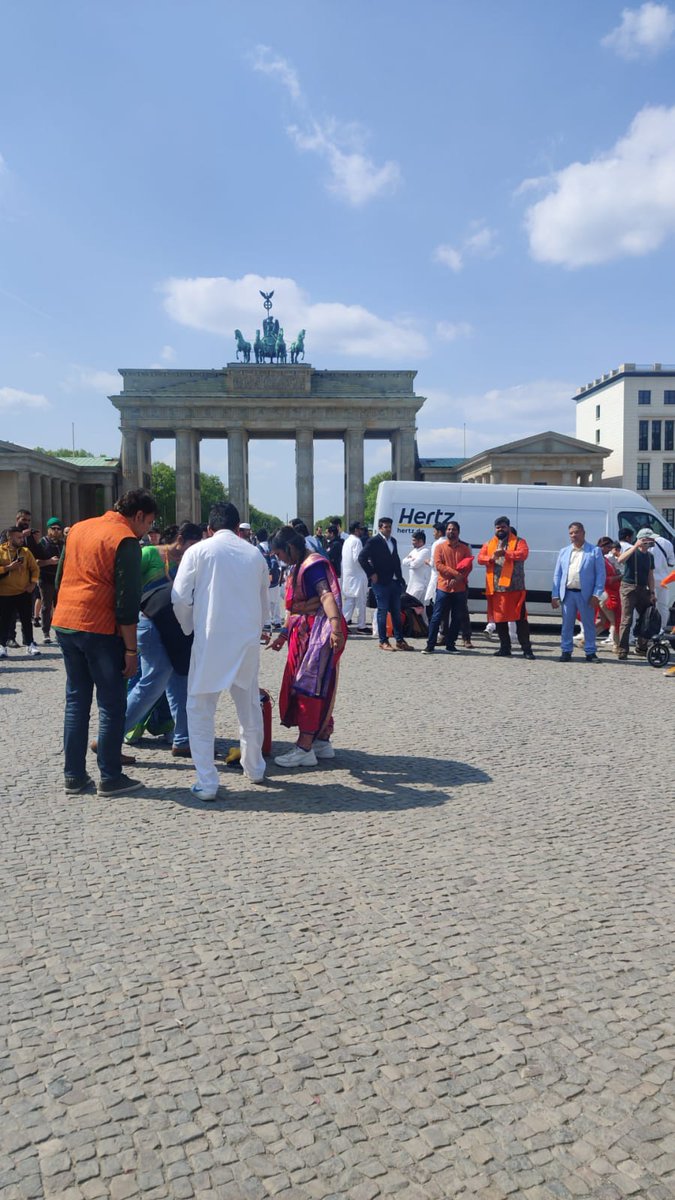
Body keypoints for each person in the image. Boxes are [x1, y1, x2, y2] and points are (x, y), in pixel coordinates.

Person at [52, 488, 159, 795]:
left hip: (66, 622)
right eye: (149, 523)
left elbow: (60, 579)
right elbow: (127, 603)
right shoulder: (125, 539)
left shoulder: (80, 529)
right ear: (138, 515)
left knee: (76, 700)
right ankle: (110, 776)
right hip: (98, 628)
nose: (148, 530)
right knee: (112, 703)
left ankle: (73, 775)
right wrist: (130, 649)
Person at [171, 501, 269, 800]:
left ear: (209, 529)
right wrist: (260, 627)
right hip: (246, 639)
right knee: (249, 705)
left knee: (200, 709)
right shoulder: (254, 554)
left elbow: (179, 598)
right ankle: (254, 768)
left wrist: (190, 627)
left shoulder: (198, 551)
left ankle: (208, 782)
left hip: (211, 638)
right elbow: (265, 601)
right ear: (239, 528)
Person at [267, 525, 347, 767]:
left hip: (315, 636)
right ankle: (322, 740)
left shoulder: (312, 565)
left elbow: (326, 595)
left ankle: (305, 747)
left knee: (308, 687)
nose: (278, 559)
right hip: (304, 633)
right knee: (321, 684)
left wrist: (334, 626)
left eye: (279, 554)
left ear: (290, 548)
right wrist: (283, 635)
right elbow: (294, 609)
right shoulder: (298, 566)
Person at [122, 521, 202, 757]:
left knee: (180, 680)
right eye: (192, 544)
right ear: (180, 538)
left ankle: (183, 739)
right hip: (150, 623)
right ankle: (110, 736)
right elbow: (127, 588)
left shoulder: (192, 562)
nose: (193, 550)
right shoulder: (149, 554)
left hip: (177, 629)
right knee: (152, 682)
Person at [478, 516, 535, 659]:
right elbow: (480, 558)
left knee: (521, 620)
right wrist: (490, 558)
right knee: (500, 620)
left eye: (503, 527)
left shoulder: (519, 542)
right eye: (498, 527)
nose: (500, 529)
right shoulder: (489, 543)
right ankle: (505, 648)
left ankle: (527, 650)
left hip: (515, 588)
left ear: (508, 527)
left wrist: (505, 553)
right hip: (497, 589)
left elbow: (523, 554)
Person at [551, 522, 606, 663]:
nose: (573, 535)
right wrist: (555, 595)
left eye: (576, 532)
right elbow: (558, 574)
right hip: (568, 593)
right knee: (567, 624)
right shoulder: (564, 551)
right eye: (571, 533)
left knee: (588, 624)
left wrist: (596, 594)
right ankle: (566, 651)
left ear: (583, 533)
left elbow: (601, 574)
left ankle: (590, 652)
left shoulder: (594, 551)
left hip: (586, 595)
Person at [358, 517, 415, 652]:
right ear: (380, 528)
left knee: (396, 612)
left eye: (390, 527)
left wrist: (400, 578)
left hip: (394, 581)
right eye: (385, 527)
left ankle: (399, 640)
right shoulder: (373, 541)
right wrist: (371, 573)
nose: (388, 529)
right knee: (382, 611)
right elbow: (361, 557)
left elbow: (395, 559)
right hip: (381, 582)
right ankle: (383, 640)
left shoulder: (393, 541)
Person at [422, 522, 473, 654]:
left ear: (458, 532)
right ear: (446, 531)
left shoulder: (465, 548)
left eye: (454, 529)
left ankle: (451, 644)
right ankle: (430, 644)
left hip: (459, 588)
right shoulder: (440, 547)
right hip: (443, 587)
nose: (451, 531)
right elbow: (438, 565)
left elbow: (468, 567)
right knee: (437, 616)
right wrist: (455, 574)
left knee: (457, 617)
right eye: (449, 529)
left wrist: (457, 579)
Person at [616, 529, 657, 661]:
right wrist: (635, 546)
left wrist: (652, 593)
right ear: (643, 540)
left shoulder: (650, 556)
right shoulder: (632, 552)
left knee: (647, 617)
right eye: (650, 540)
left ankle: (642, 647)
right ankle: (622, 649)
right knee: (627, 619)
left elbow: (651, 576)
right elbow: (620, 560)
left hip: (642, 588)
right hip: (628, 587)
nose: (653, 542)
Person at [0, 526, 41, 657]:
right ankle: (2, 646)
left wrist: (33, 583)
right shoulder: (0, 551)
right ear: (9, 537)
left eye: (22, 537)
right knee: (4, 621)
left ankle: (30, 644)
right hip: (4, 593)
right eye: (18, 537)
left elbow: (35, 569)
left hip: (23, 592)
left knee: (26, 620)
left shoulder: (26, 551)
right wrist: (8, 568)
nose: (21, 539)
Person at [38, 517, 65, 645]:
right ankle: (45, 632)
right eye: (53, 528)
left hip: (59, 580)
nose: (56, 531)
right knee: (46, 606)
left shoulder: (62, 543)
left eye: (58, 529)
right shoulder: (42, 543)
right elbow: (35, 562)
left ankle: (58, 633)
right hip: (46, 578)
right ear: (48, 529)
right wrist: (49, 561)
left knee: (59, 607)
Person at [341, 521, 368, 631]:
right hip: (358, 575)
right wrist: (369, 566)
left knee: (350, 601)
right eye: (360, 529)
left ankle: (341, 623)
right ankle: (361, 625)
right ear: (356, 530)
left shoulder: (347, 541)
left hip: (349, 575)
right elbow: (358, 558)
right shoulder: (357, 541)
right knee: (361, 602)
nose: (362, 531)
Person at [257, 528, 282, 629]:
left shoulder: (257, 548)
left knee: (265, 600)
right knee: (275, 601)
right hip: (275, 576)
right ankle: (277, 620)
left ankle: (267, 622)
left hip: (264, 577)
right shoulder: (272, 546)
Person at [649, 532, 675, 632]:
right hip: (664, 580)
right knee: (663, 607)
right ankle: (662, 630)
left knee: (649, 606)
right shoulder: (667, 543)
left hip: (650, 579)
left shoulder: (645, 543)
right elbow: (672, 562)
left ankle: (648, 630)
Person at [403, 530, 432, 603]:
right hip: (412, 584)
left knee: (416, 607)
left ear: (420, 541)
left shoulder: (425, 551)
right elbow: (404, 562)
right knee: (414, 608)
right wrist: (411, 560)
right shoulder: (414, 551)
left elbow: (415, 565)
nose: (412, 542)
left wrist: (410, 560)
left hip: (420, 586)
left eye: (414, 540)